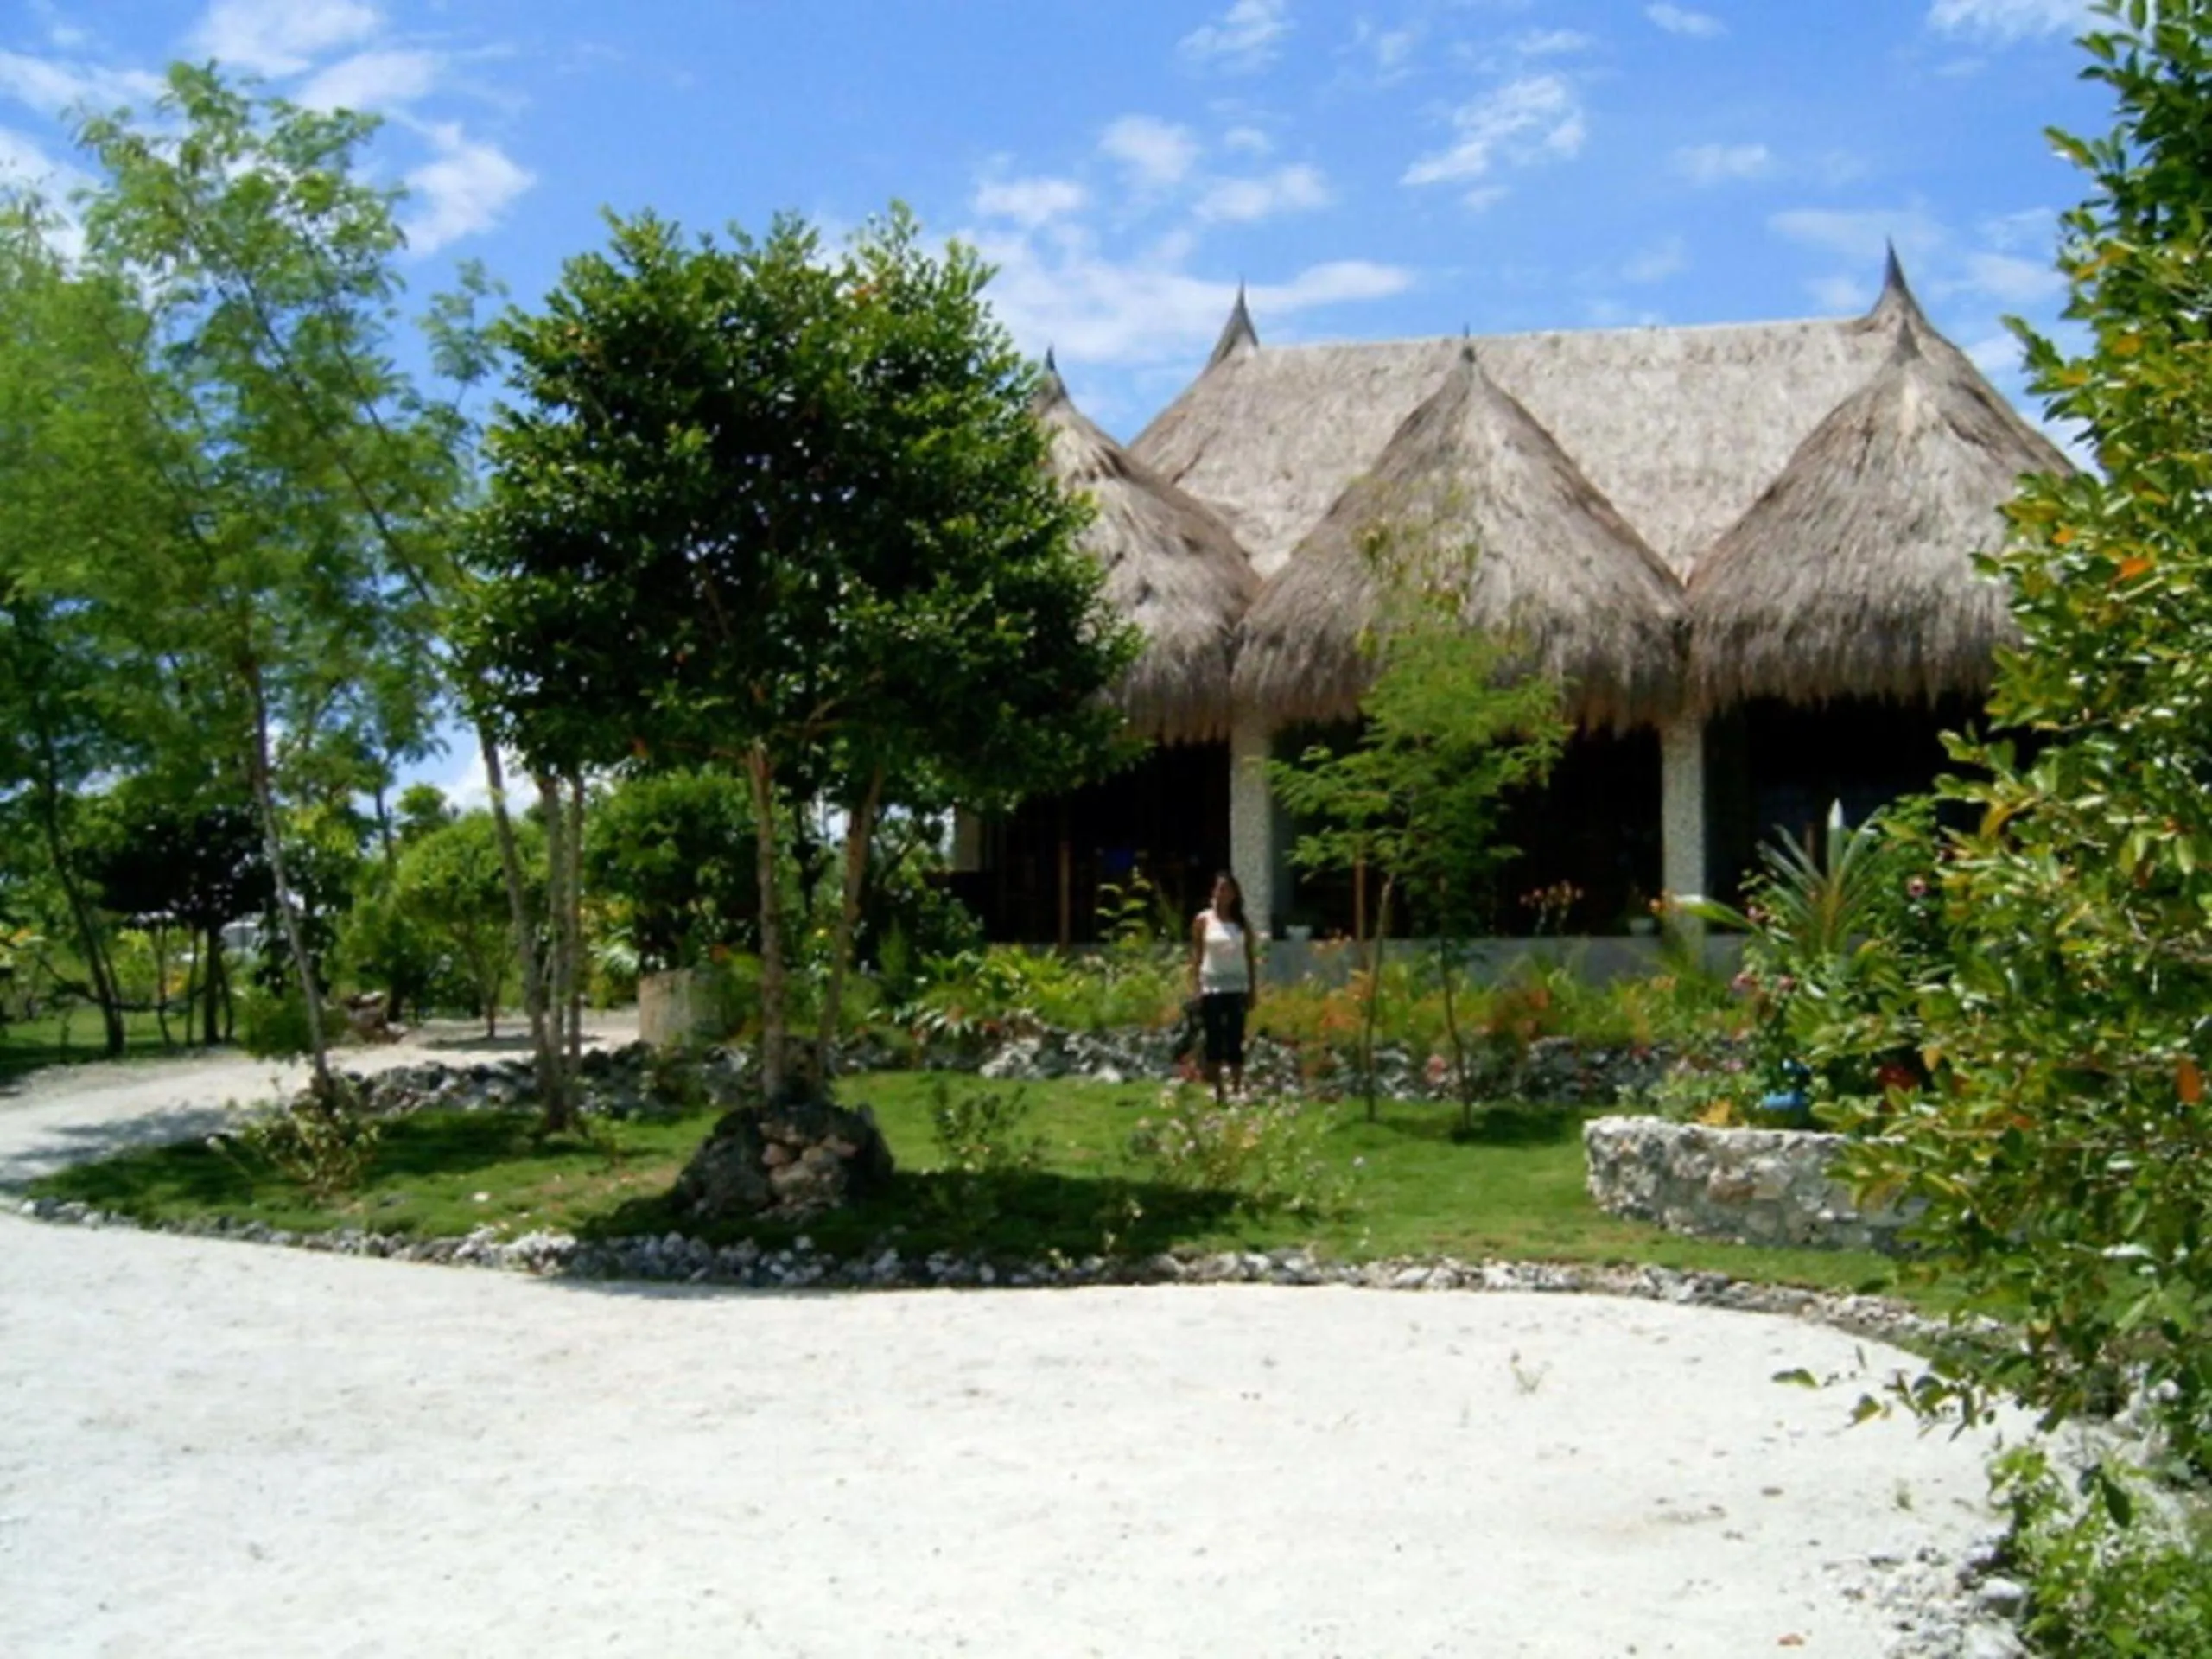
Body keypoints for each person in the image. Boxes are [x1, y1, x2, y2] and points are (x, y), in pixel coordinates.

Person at [1187, 871, 1258, 1102]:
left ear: (1235, 894)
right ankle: (1218, 1090)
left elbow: (1249, 956)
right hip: (1212, 986)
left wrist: (1252, 988)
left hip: (1237, 986)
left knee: (1235, 1038)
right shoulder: (1203, 920)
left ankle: (1237, 1087)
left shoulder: (1241, 923)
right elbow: (1197, 955)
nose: (1223, 893)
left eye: (1228, 889)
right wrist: (1196, 986)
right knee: (1214, 1038)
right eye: (1219, 889)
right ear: (1213, 892)